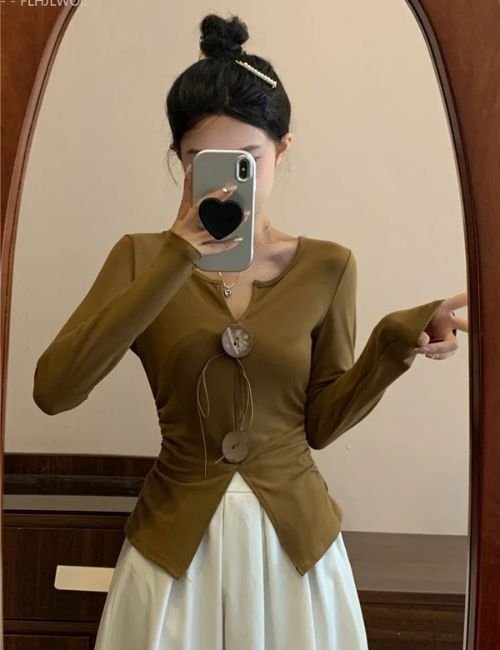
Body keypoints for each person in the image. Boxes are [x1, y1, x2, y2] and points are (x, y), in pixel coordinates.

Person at [33, 13, 467, 650]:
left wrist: (396, 339)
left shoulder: (329, 266)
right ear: (179, 160)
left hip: (295, 549)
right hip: (173, 549)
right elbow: (55, 391)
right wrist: (176, 258)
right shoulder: (138, 258)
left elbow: (320, 424)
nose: (226, 179)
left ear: (281, 150)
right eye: (200, 160)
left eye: (248, 159)